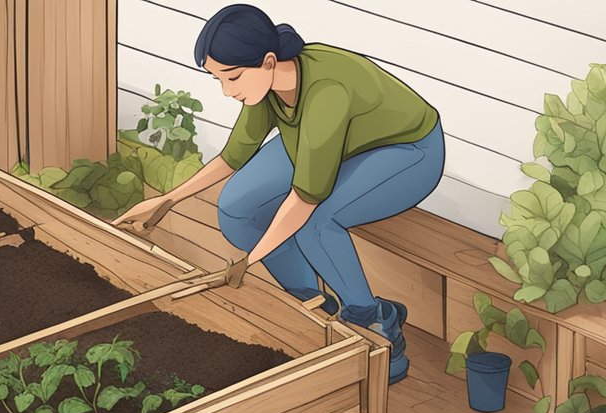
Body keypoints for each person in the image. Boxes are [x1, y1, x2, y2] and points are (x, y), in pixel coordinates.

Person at [114, 4, 445, 383]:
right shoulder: (265, 88)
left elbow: (306, 200)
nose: (227, 91)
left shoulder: (325, 93)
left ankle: (373, 321)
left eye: (233, 77)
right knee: (236, 207)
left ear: (268, 61)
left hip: (408, 151)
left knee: (315, 224)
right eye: (219, 80)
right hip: (331, 142)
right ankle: (315, 304)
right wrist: (166, 200)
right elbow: (233, 156)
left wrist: (249, 261)